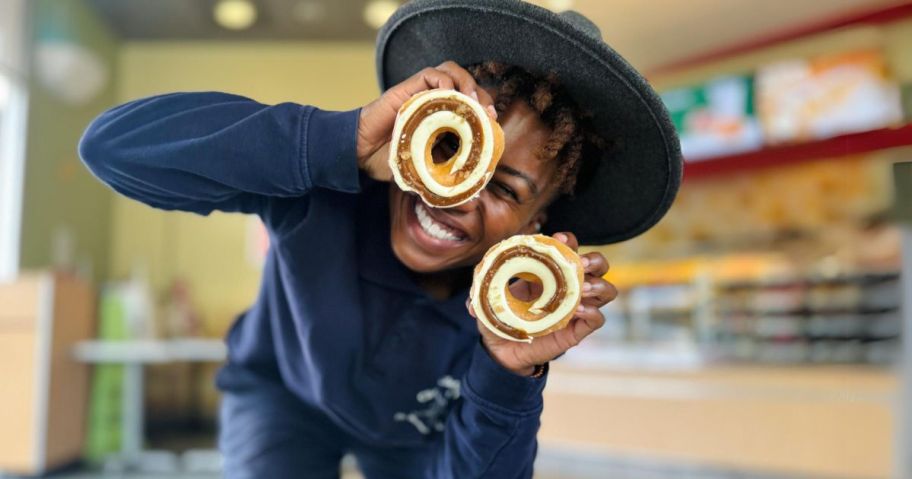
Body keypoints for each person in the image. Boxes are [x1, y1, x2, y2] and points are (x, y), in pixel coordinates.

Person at [79, 1, 681, 478]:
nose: (454, 194)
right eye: (451, 150)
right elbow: (111, 150)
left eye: (502, 190)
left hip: (409, 437)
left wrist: (505, 370)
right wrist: (336, 142)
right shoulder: (322, 189)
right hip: (281, 397)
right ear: (419, 134)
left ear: (534, 227)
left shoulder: (512, 310)